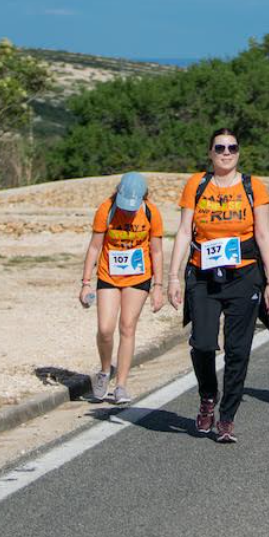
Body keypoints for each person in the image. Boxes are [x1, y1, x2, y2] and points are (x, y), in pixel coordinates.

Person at [168, 128, 269, 443]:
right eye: (220, 147)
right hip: (203, 274)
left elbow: (264, 235)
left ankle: (227, 418)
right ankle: (207, 396)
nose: (226, 153)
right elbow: (184, 233)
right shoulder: (197, 184)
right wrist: (173, 277)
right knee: (202, 343)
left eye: (232, 147)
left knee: (238, 350)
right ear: (210, 152)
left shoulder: (253, 187)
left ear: (239, 152)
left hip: (243, 275)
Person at [79, 172, 164, 404]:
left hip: (138, 277)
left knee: (127, 326)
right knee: (105, 328)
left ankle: (122, 385)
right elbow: (95, 248)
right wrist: (86, 283)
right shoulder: (106, 210)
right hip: (109, 275)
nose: (127, 210)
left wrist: (158, 286)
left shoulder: (151, 212)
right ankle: (105, 371)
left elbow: (156, 250)